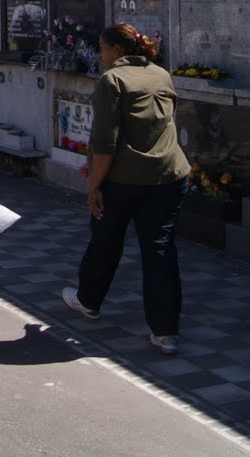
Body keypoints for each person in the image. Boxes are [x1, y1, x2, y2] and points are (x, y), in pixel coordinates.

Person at [62, 23, 191, 356]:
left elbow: (105, 142)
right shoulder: (161, 74)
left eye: (102, 48)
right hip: (168, 175)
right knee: (160, 250)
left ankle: (88, 300)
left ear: (116, 50)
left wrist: (94, 187)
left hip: (124, 178)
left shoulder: (112, 80)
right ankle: (165, 332)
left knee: (105, 240)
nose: (100, 55)